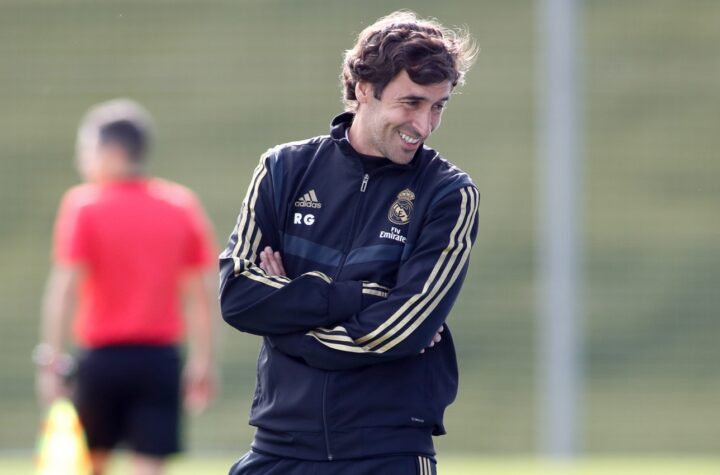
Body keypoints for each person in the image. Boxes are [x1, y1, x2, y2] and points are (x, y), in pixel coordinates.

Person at [219, 10, 479, 475]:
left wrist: (286, 321)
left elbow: (402, 330)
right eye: (411, 102)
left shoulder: (449, 194)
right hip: (279, 446)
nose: (424, 124)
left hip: (388, 453)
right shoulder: (282, 169)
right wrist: (361, 296)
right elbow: (238, 295)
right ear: (364, 89)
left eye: (438, 106)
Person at [35, 99, 217, 475]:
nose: (81, 161)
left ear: (113, 152)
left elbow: (64, 289)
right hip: (159, 361)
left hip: (102, 360)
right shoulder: (180, 205)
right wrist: (203, 360)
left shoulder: (84, 206)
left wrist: (52, 361)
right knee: (149, 466)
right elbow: (200, 294)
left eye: (86, 150)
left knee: (91, 463)